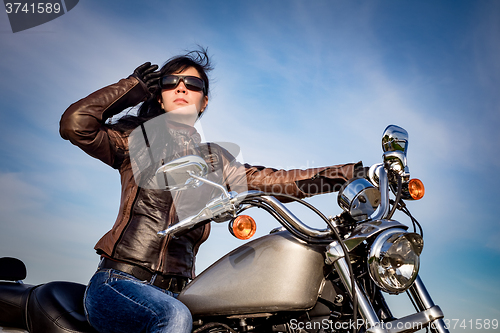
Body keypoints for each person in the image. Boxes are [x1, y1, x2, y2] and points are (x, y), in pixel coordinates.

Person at [59, 48, 362, 333]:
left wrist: (350, 174)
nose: (181, 88)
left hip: (183, 292)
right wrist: (132, 87)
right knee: (172, 316)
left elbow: (276, 181)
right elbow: (76, 124)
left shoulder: (215, 159)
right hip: (120, 283)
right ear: (159, 97)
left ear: (204, 102)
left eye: (192, 84)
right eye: (170, 82)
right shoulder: (137, 140)